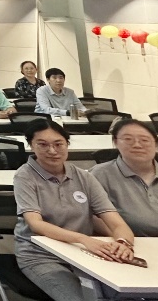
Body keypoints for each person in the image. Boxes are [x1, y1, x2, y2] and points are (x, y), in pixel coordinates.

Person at [14, 119, 136, 300]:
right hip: (41, 255)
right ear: (31, 145)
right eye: (43, 145)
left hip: (81, 252)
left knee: (124, 294)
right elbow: (36, 224)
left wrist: (124, 243)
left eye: (58, 144)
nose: (52, 151)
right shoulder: (24, 176)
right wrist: (84, 239)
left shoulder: (84, 177)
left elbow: (115, 221)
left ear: (67, 144)